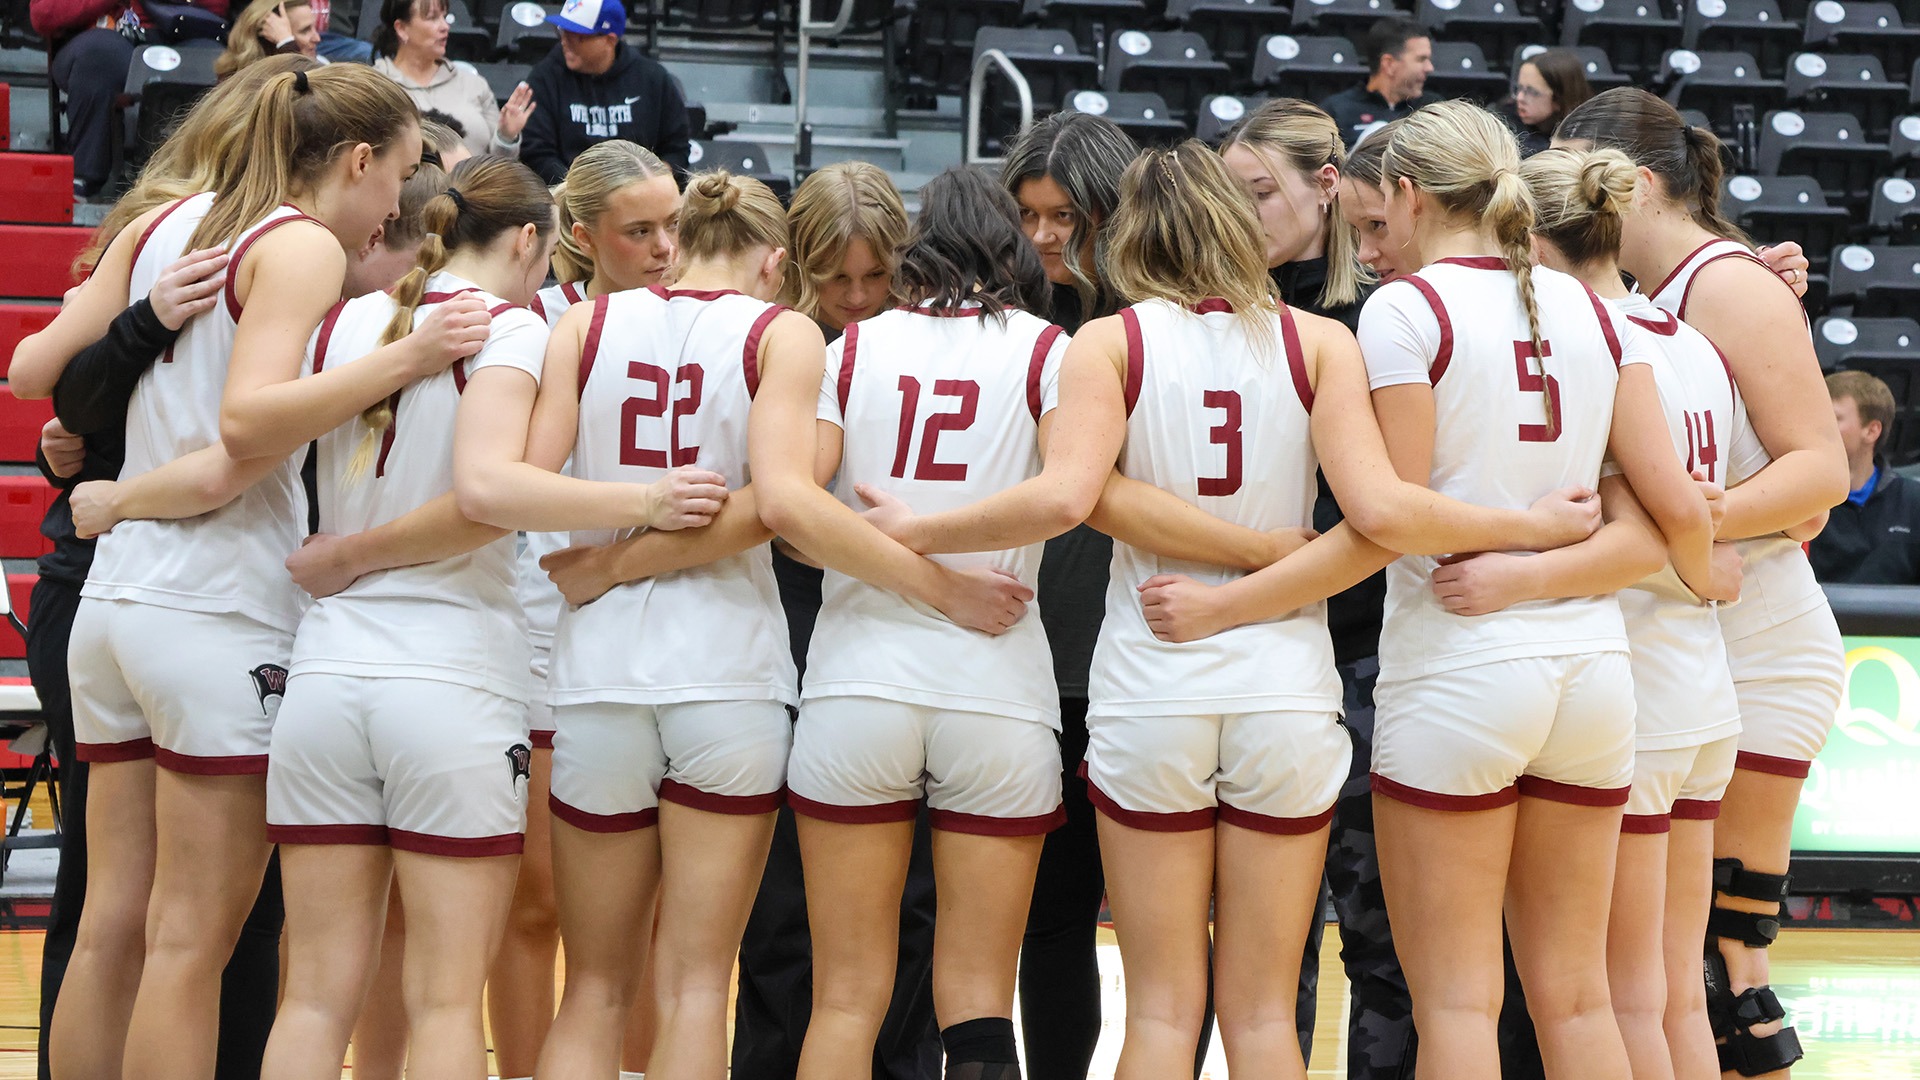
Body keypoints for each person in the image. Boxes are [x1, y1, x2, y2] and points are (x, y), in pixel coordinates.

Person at [455, 167, 1029, 1080]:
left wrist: (615, 544)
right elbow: (784, 504)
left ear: (675, 241)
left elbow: (515, 484)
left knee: (596, 985)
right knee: (692, 982)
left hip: (599, 674)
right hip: (728, 672)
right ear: (774, 260)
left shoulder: (584, 324)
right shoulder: (783, 334)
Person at [8, 63, 445, 1080]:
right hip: (218, 606)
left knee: (110, 921)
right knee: (190, 940)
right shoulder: (294, 241)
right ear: (359, 158)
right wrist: (401, 361)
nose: (396, 204)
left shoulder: (167, 219)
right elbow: (249, 422)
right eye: (403, 174)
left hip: (116, 604)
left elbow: (35, 368)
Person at [1559, 89, 1849, 1079]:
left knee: (1726, 959)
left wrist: (1689, 517)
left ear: (1633, 184)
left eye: (1575, 176)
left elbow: (1821, 477)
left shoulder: (1723, 285)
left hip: (1759, 631)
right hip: (1703, 620)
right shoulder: (1659, 290)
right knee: (1676, 966)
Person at [251, 155, 557, 1078]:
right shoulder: (515, 329)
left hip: (327, 675)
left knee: (311, 995)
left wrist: (343, 552)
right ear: (530, 241)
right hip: (452, 678)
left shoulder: (346, 321)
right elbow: (487, 499)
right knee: (442, 1002)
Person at [782, 165, 1064, 1080]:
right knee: (980, 990)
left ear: (913, 252)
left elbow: (792, 517)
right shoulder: (1048, 349)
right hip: (996, 683)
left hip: (859, 683)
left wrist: (901, 561)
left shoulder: (850, 350)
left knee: (847, 995)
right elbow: (1071, 499)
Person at [1220, 98, 1419, 1080]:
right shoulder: (1217, 313)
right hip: (1264, 652)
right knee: (1267, 950)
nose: (1241, 213)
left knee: (1382, 942)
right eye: (1230, 195)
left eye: (1260, 191)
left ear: (1326, 184)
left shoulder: (1379, 311)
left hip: (1370, 653)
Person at [484, 138, 682, 1080]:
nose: (662, 248)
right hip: (537, 620)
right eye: (639, 231)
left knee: (638, 907)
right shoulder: (536, 325)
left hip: (661, 628)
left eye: (673, 226)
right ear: (582, 231)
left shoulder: (706, 321)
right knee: (535, 901)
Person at [30, 0, 234, 198]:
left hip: (191, 34)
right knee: (98, 55)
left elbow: (222, 9)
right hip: (109, 37)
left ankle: (200, 186)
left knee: (216, 65)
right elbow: (44, 14)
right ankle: (85, 179)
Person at [521, 0, 692, 184]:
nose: (565, 42)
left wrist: (647, 185)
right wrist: (575, 191)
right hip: (567, 195)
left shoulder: (652, 79)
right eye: (562, 32)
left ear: (610, 39)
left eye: (578, 36)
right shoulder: (544, 78)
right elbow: (537, 152)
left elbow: (676, 150)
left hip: (641, 194)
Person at [374, 0, 534, 159]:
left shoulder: (475, 84)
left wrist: (505, 137)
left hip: (474, 183)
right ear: (401, 28)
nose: (445, 26)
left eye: (444, 17)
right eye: (432, 18)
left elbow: (499, 168)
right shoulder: (375, 87)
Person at [1811, 371, 1920, 584]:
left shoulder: (1913, 502)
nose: (1820, 427)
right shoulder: (1804, 500)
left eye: (1835, 418)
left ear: (1871, 431)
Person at [1318, 18, 1440, 147]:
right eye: (1421, 59)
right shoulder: (1337, 110)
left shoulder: (1433, 109)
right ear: (1389, 63)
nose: (1429, 68)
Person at [1501, 50, 1592, 157]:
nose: (1520, 98)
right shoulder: (1505, 118)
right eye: (1519, 88)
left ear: (1559, 99)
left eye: (1532, 92)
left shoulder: (1588, 126)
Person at [214, 0, 322, 80]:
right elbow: (301, 90)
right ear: (269, 38)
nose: (317, 38)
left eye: (314, 29)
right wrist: (286, 43)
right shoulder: (238, 81)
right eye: (305, 30)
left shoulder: (321, 64)